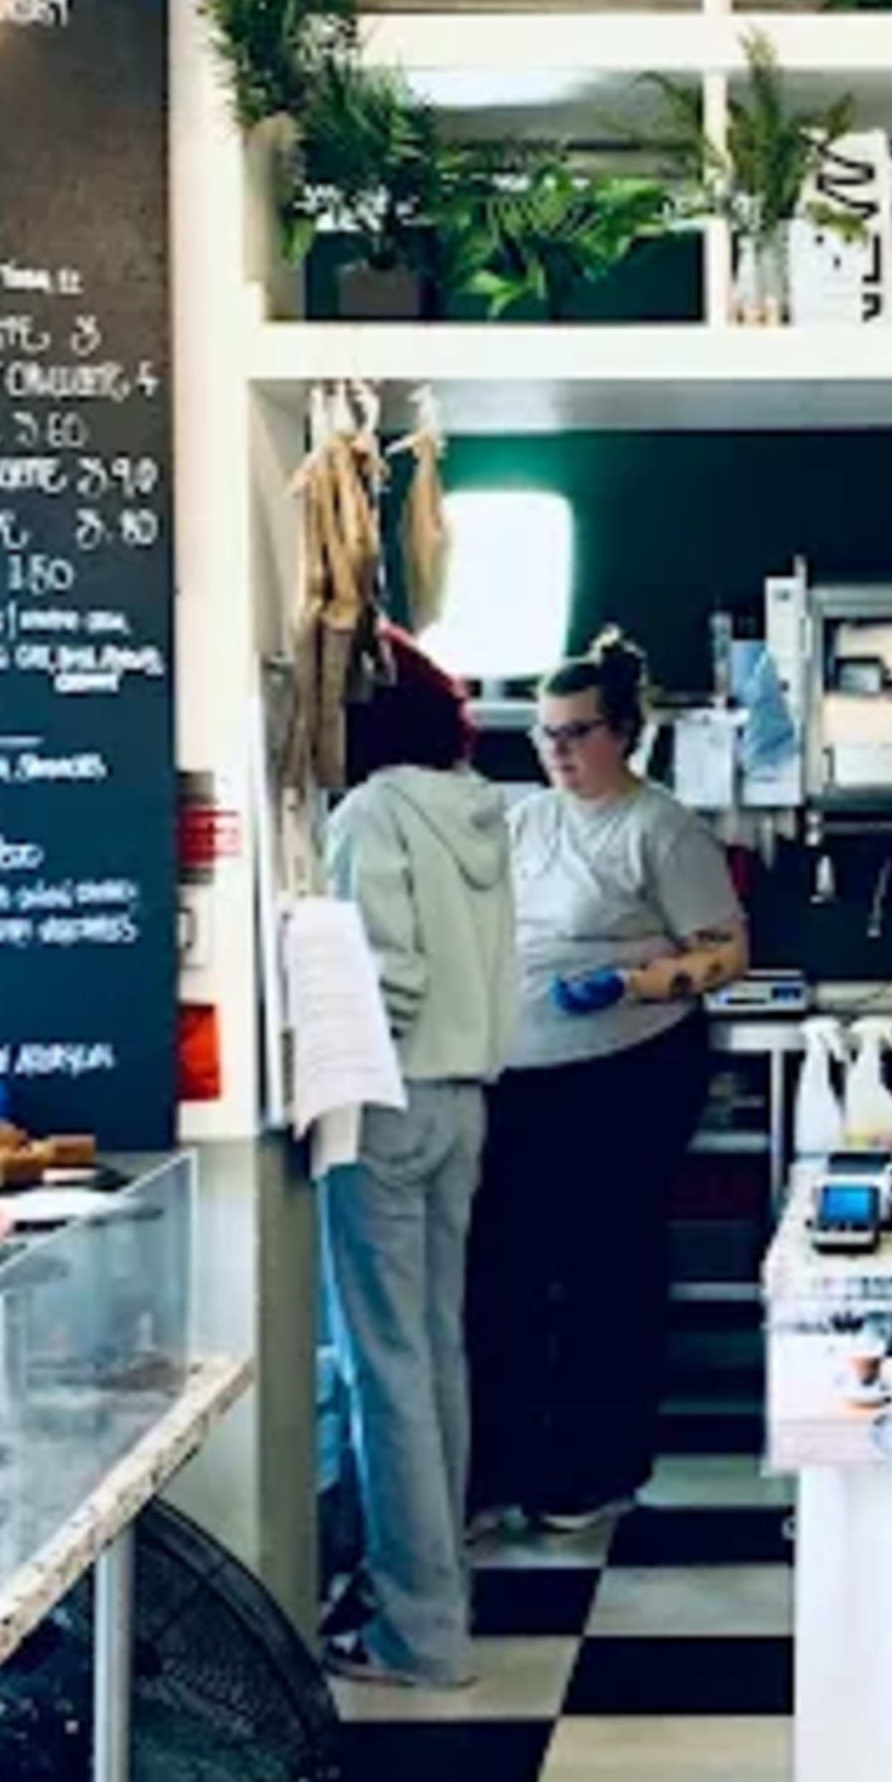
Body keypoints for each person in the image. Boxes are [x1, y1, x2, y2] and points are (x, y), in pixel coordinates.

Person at [469, 629, 747, 1530]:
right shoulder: (527, 818)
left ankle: (594, 1471)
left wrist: (630, 983)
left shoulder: (660, 830)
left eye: (577, 732)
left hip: (629, 1070)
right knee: (505, 1273)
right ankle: (502, 1468)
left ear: (623, 732)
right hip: (525, 1072)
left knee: (605, 1271)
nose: (557, 749)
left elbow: (726, 952)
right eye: (546, 733)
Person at [315, 632, 516, 1686]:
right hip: (466, 1097)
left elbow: (379, 973)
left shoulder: (370, 813)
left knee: (382, 1366)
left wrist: (325, 1049)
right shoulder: (479, 807)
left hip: (385, 1100)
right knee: (434, 1353)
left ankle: (419, 1631)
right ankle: (439, 1596)